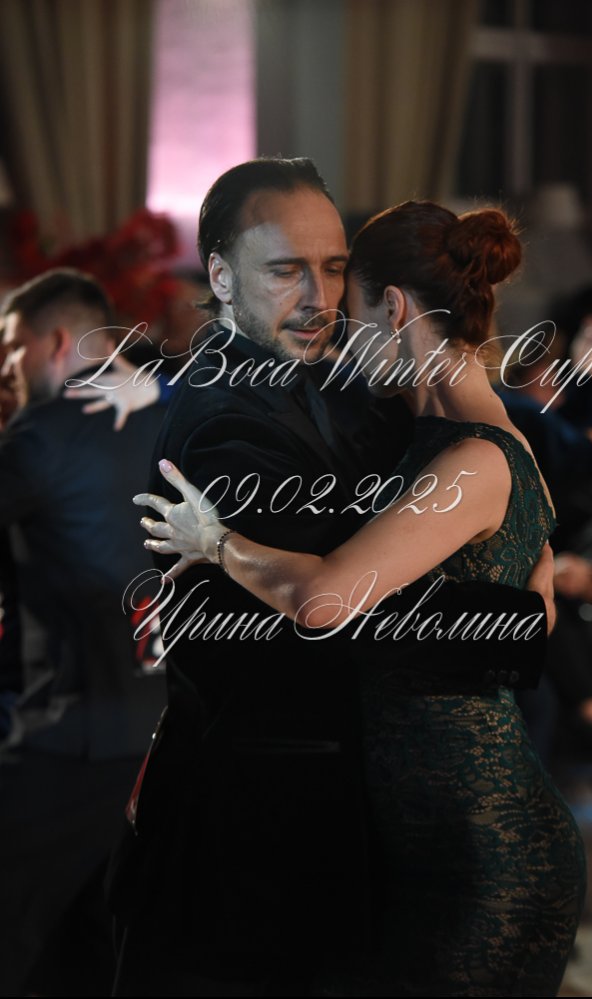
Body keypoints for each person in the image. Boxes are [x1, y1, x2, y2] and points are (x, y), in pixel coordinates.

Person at [108, 158, 557, 997]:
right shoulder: (223, 423)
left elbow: (460, 456)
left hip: (357, 831)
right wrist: (517, 622)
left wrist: (513, 504)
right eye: (287, 270)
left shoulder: (346, 382)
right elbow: (337, 618)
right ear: (220, 276)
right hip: (257, 838)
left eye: (335, 267)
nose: (319, 297)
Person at [0, 269, 167, 995]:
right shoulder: (171, 415)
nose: (7, 367)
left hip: (67, 736)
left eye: (13, 347)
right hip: (163, 731)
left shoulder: (43, 434)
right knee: (102, 950)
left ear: (57, 341)